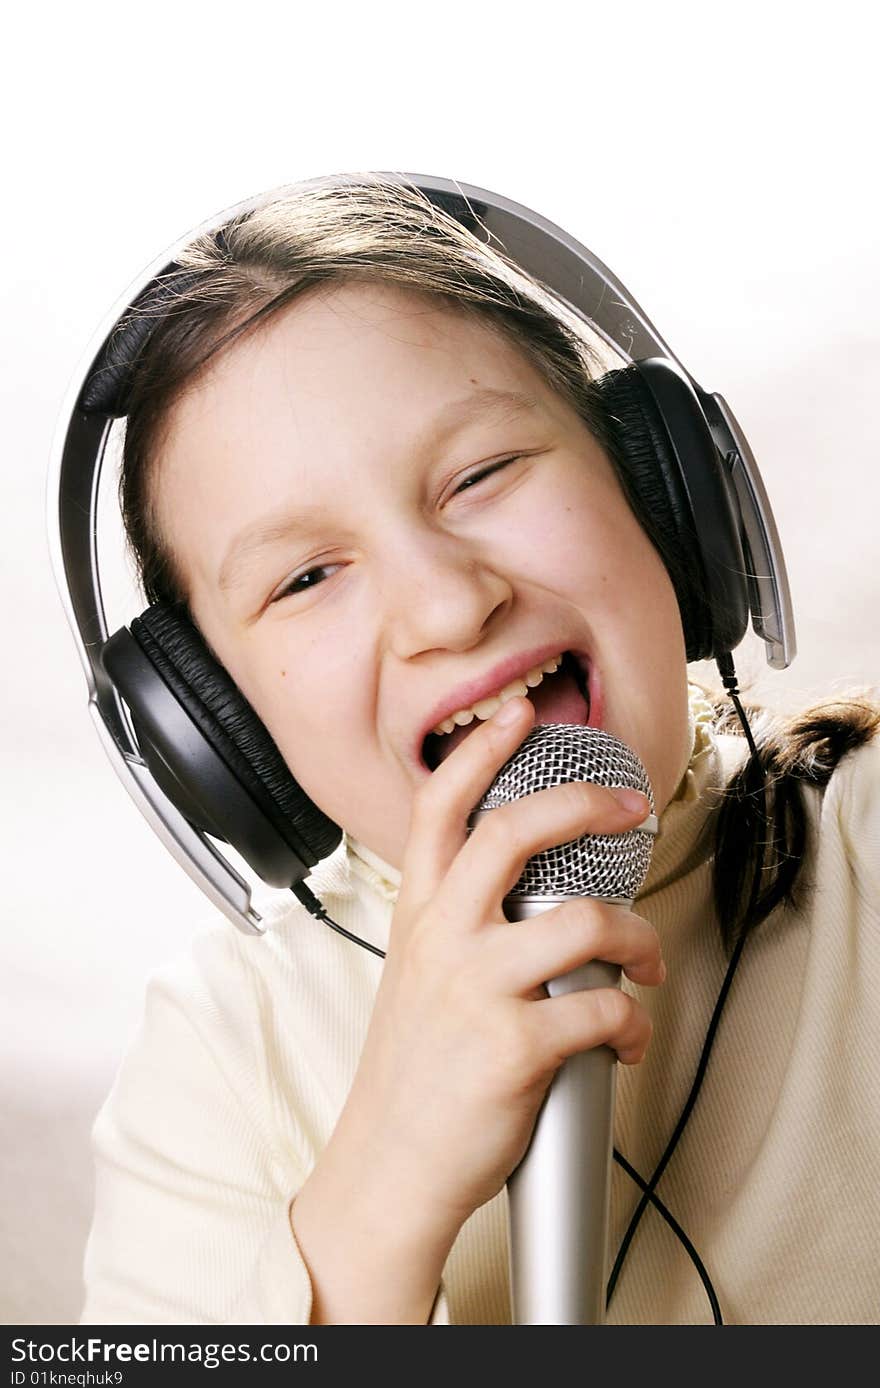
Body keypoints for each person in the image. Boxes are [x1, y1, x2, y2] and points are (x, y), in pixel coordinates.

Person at [79, 173, 880, 1325]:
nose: (449, 609)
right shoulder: (222, 1056)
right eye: (306, 577)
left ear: (662, 499)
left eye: (482, 474)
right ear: (223, 731)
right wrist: (379, 1193)